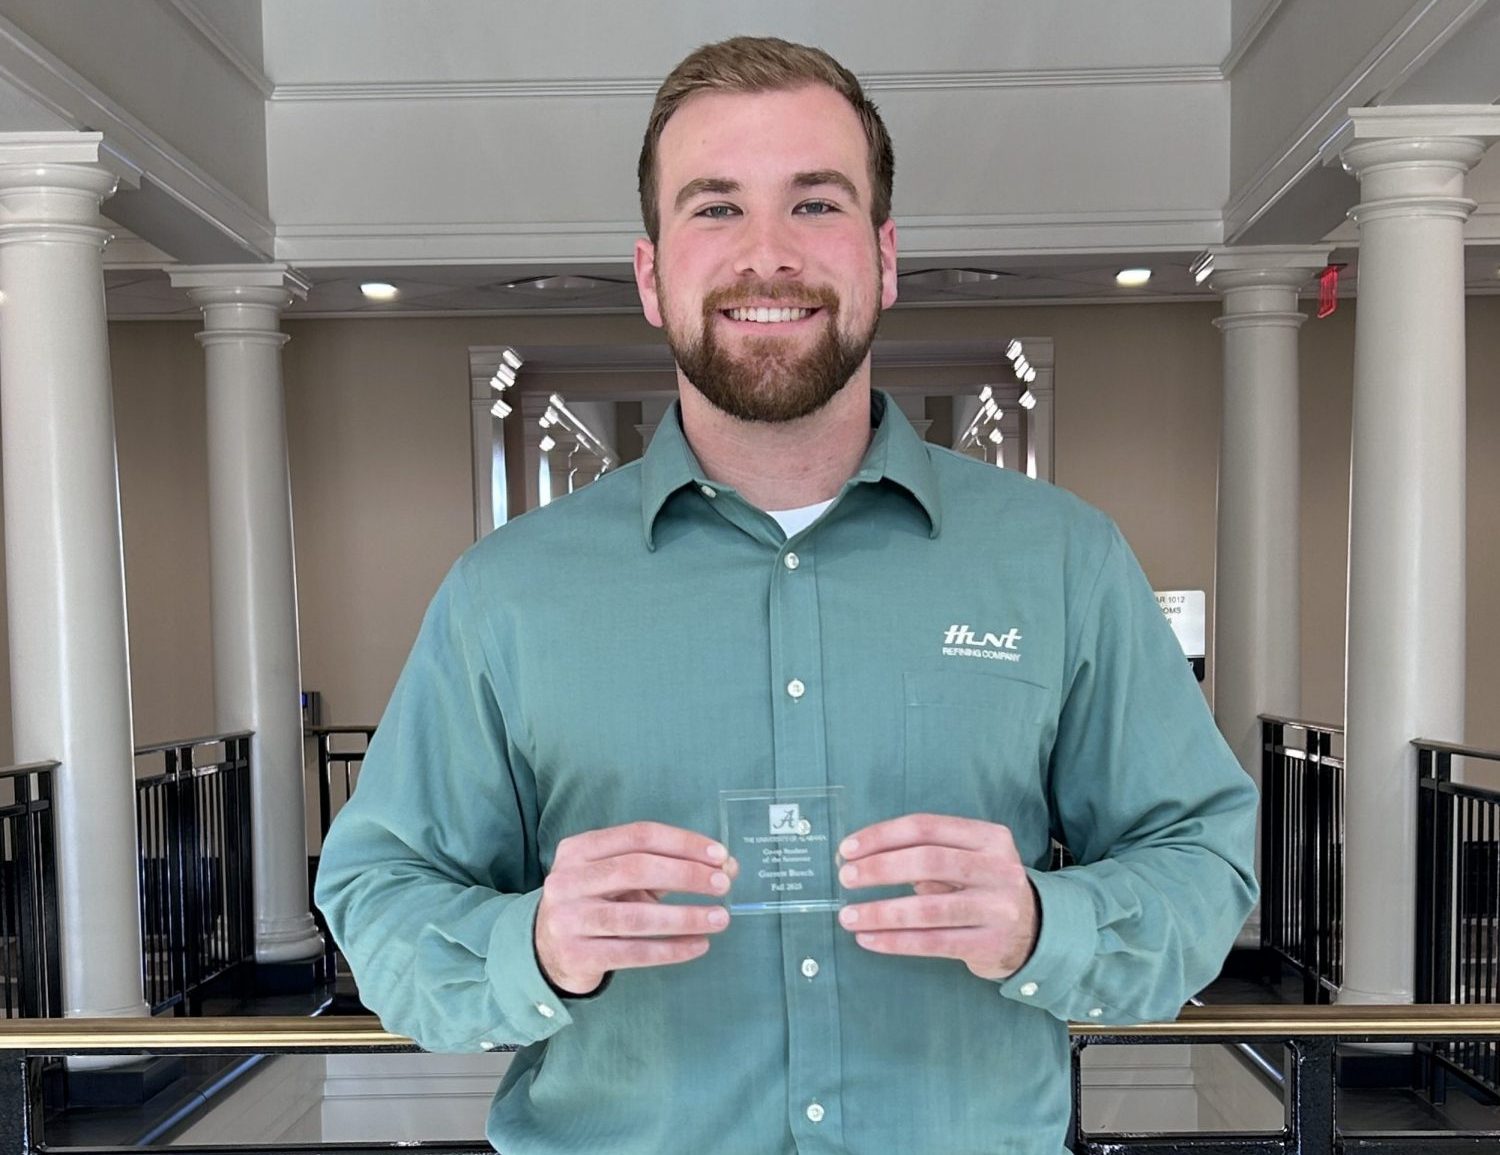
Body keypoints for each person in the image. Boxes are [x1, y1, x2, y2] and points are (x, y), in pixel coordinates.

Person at [316, 36, 1258, 1155]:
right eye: (716, 208)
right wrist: (535, 945)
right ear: (651, 274)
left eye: (815, 204)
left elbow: (1204, 859)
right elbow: (379, 894)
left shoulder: (1063, 562)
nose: (768, 255)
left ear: (884, 257)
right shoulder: (504, 597)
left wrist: (1045, 924)